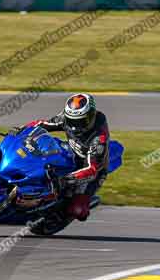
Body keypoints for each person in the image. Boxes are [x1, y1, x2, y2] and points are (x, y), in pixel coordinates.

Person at [24, 93, 110, 221]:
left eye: (81, 122)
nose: (75, 127)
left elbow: (91, 169)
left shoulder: (98, 139)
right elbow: (43, 124)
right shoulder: (66, 117)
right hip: (72, 153)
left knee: (78, 211)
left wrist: (67, 179)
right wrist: (22, 130)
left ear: (91, 116)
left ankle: (73, 209)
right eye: (72, 121)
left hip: (91, 169)